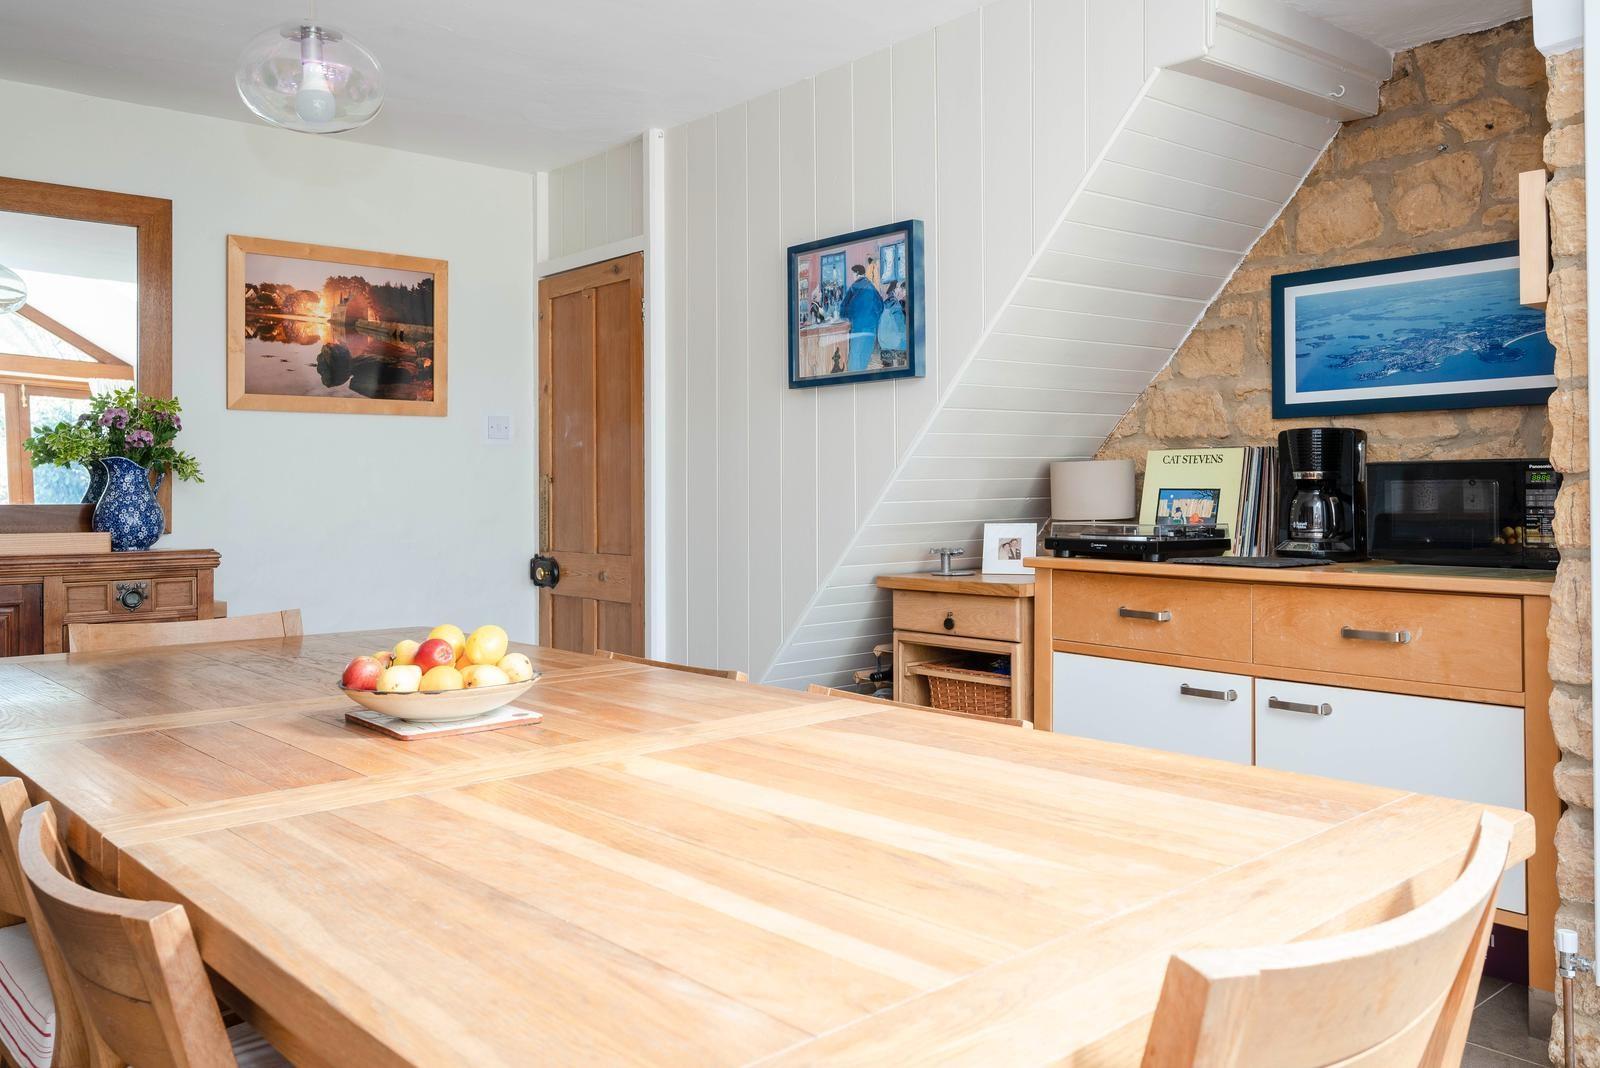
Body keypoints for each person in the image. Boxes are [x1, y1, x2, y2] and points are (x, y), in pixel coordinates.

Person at [840, 264, 883, 372]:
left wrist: (850, 316)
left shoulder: (854, 287)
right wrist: (874, 319)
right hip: (871, 329)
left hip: (858, 328)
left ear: (857, 273)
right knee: (864, 358)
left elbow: (843, 308)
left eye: (853, 274)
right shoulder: (871, 287)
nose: (852, 276)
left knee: (855, 358)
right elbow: (880, 306)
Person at [877, 280, 908, 367]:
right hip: (895, 343)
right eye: (899, 288)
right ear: (895, 290)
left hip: (883, 343)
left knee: (888, 367)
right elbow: (901, 328)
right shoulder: (896, 306)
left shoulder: (885, 303)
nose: (901, 290)